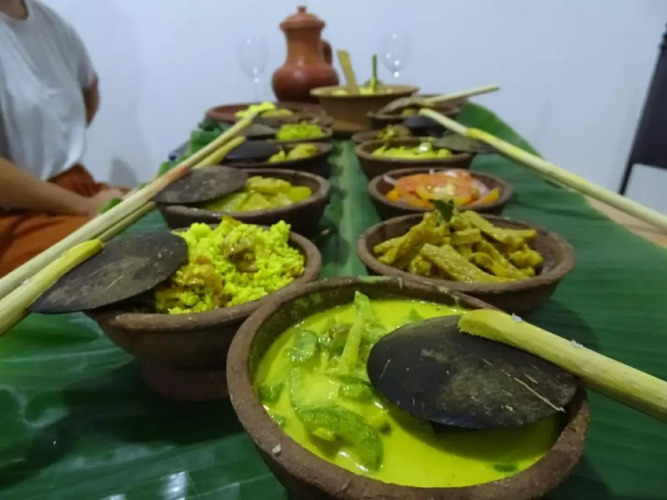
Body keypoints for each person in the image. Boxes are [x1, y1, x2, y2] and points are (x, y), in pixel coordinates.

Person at [0, 0, 126, 276]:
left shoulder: (50, 22)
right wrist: (83, 206)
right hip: (12, 216)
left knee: (162, 213)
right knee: (116, 259)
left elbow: (89, 91)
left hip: (73, 186)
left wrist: (55, 152)